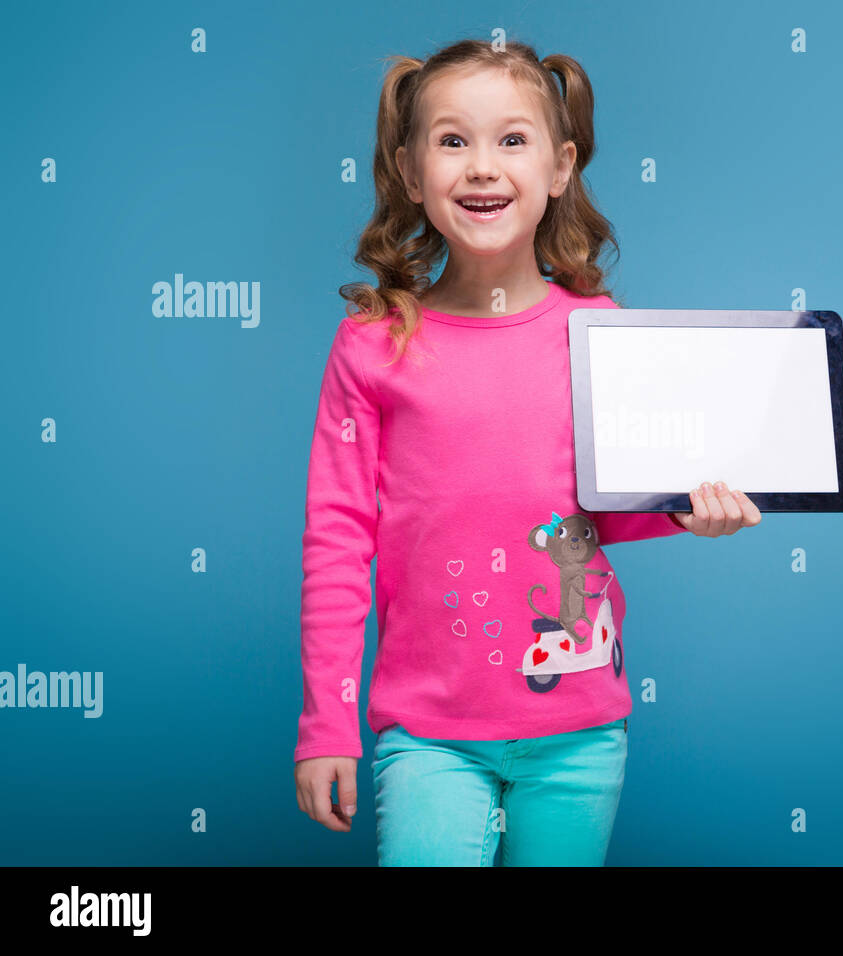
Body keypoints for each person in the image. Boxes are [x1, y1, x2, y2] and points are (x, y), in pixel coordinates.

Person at [292, 37, 761, 866]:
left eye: (512, 140)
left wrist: (690, 513)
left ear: (560, 167)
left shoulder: (602, 336)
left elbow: (606, 510)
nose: (481, 167)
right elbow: (337, 541)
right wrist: (327, 721)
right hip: (428, 733)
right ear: (409, 172)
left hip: (580, 729)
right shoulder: (372, 347)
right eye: (451, 140)